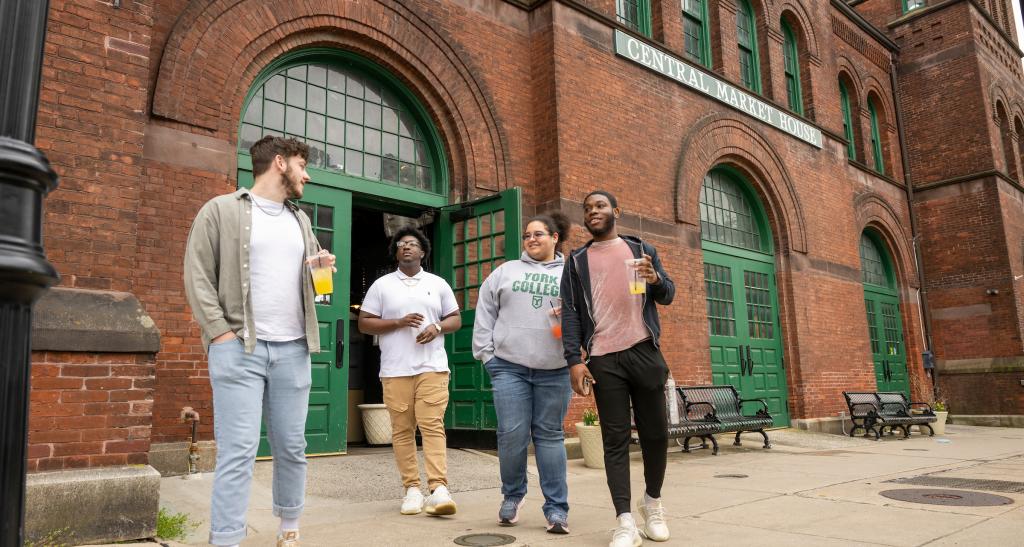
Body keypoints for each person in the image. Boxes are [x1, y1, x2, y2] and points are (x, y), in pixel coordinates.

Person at [184, 136, 335, 547]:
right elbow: (197, 276)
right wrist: (220, 333)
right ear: (280, 163)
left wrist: (322, 271)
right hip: (239, 346)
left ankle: (289, 526)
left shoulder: (300, 221)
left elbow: (319, 289)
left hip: (293, 349)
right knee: (238, 451)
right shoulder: (219, 211)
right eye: (303, 166)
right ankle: (227, 539)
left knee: (292, 446)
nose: (307, 175)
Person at [560, 190, 676, 547]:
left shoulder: (641, 250)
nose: (593, 211)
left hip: (644, 351)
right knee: (614, 440)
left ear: (616, 211)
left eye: (600, 206)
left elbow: (668, 295)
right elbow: (570, 313)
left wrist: (655, 280)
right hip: (604, 359)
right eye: (587, 208)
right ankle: (624, 519)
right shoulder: (576, 260)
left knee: (656, 435)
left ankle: (652, 504)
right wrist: (574, 360)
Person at [472, 212, 573, 534]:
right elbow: (485, 310)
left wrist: (569, 315)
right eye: (528, 235)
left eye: (539, 234)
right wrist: (486, 355)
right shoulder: (505, 271)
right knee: (512, 434)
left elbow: (591, 313)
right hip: (509, 366)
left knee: (550, 436)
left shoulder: (572, 274)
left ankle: (557, 509)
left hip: (555, 369)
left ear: (555, 237)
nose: (531, 239)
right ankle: (512, 496)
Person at [357, 227, 462, 516]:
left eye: (412, 244)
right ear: (396, 252)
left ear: (423, 252)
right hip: (395, 369)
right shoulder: (382, 285)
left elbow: (455, 318)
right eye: (401, 244)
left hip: (432, 367)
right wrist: (398, 322)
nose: (406, 247)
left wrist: (437, 326)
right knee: (402, 431)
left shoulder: (437, 283)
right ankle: (412, 490)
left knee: (432, 425)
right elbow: (365, 323)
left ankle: (439, 489)